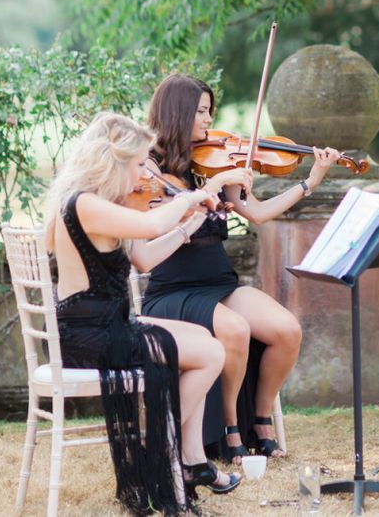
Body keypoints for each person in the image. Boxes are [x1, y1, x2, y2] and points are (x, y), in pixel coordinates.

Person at [44, 112, 241, 515]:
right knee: (212, 354)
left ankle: (189, 460)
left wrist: (191, 224)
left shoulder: (95, 204)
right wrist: (188, 198)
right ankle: (158, 448)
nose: (142, 174)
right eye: (137, 164)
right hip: (93, 334)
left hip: (100, 324)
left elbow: (145, 258)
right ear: (113, 162)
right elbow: (150, 226)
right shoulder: (85, 204)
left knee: (203, 341)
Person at [140, 73, 341, 464]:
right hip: (173, 292)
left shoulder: (214, 161)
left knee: (287, 330)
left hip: (218, 281)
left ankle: (260, 419)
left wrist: (310, 182)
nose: (208, 121)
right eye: (200, 112)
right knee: (235, 328)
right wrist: (217, 186)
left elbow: (259, 213)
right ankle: (232, 429)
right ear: (178, 112)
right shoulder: (150, 167)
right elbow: (156, 225)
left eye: (209, 112)